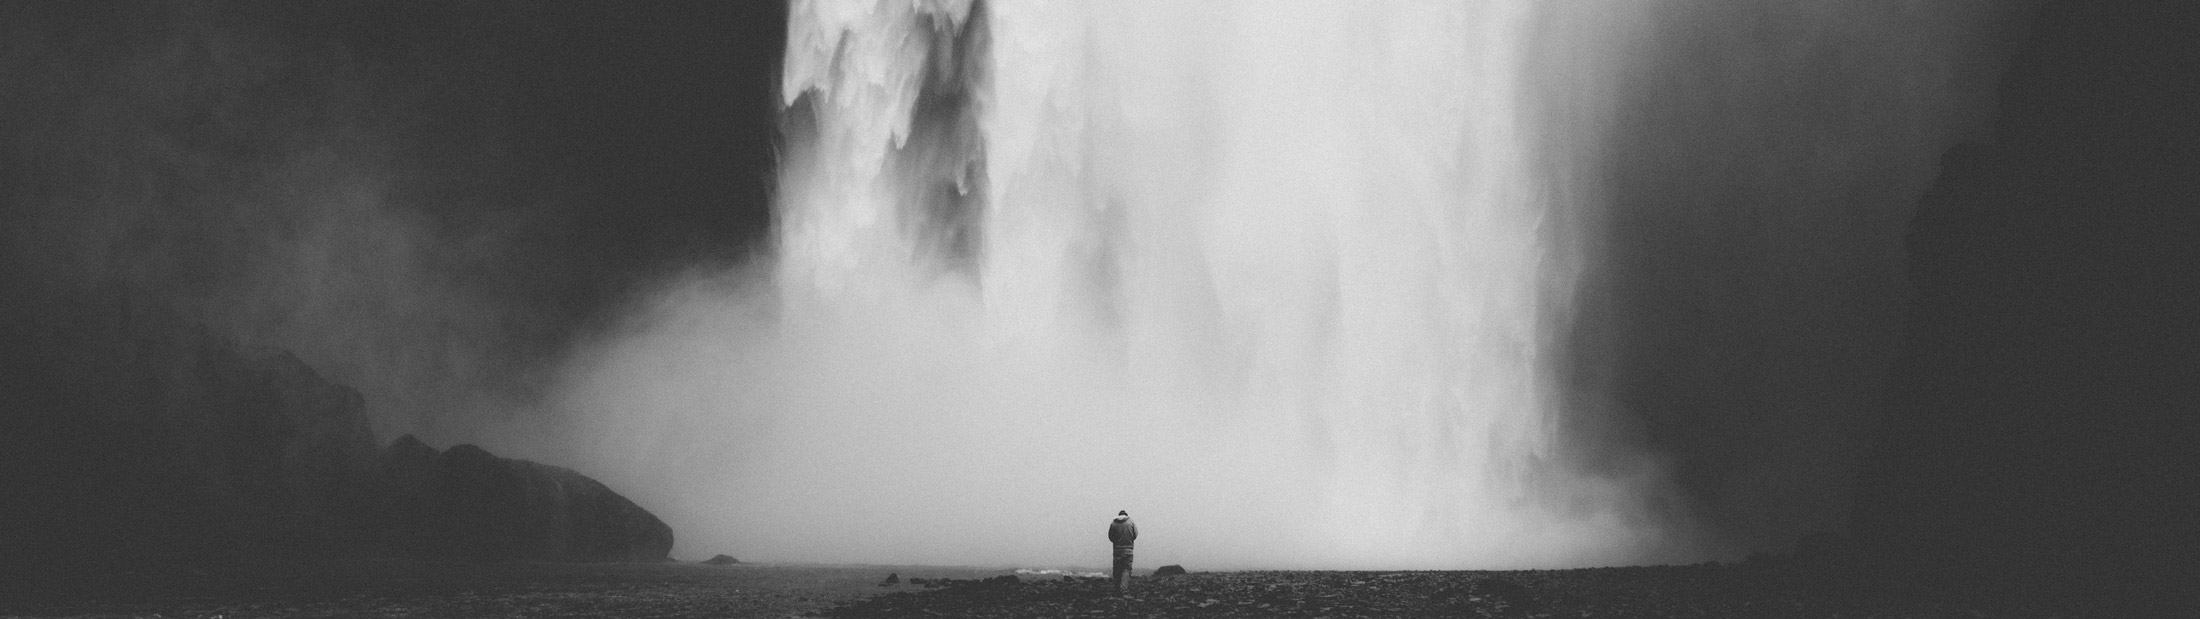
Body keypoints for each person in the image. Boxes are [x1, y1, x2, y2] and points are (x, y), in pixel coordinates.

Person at [1107, 510, 1137, 594]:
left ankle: (1116, 589)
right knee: (1126, 569)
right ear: (1126, 515)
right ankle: (1124, 589)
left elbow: (1110, 536)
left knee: (1117, 569)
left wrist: (1116, 542)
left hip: (1117, 550)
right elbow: (1135, 534)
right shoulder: (1131, 522)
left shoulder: (1113, 523)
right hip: (1128, 550)